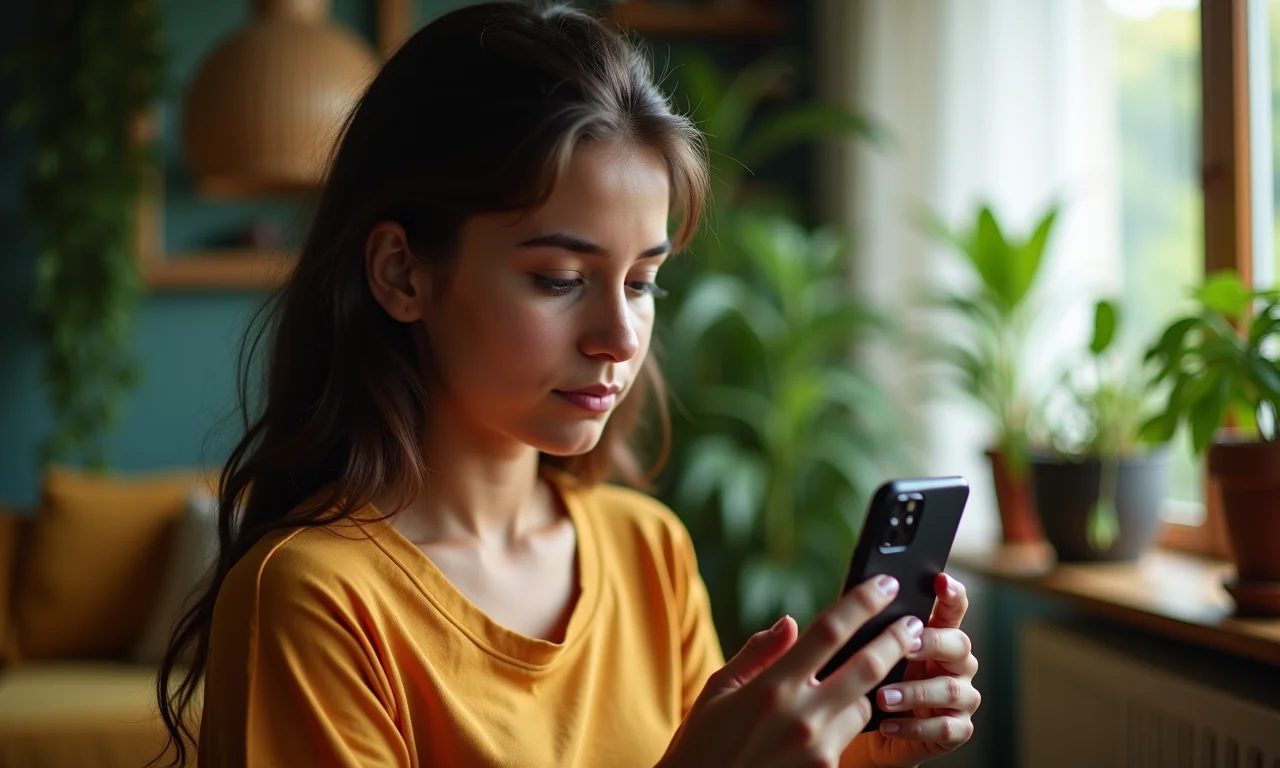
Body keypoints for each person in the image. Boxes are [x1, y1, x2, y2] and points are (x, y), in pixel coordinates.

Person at [154, 3, 981, 766]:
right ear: (402, 273)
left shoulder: (646, 550)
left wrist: (850, 754)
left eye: (641, 281)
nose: (619, 338)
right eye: (558, 278)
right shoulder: (313, 600)